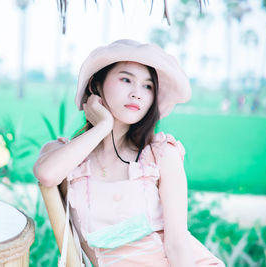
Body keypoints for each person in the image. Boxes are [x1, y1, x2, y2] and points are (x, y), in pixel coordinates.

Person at [33, 39, 225, 267]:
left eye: (147, 86)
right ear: (96, 85)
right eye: (126, 80)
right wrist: (103, 126)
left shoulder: (159, 155)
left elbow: (177, 244)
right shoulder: (65, 155)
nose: (137, 94)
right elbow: (46, 175)